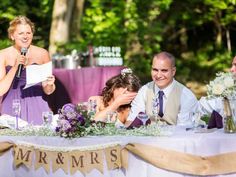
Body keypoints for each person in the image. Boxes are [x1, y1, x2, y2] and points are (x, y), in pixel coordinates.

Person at [0, 16, 56, 125]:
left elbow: (48, 91)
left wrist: (50, 84)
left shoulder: (42, 53)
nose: (25, 37)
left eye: (28, 33)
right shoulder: (3, 55)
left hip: (38, 104)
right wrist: (16, 66)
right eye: (21, 33)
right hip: (13, 106)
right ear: (12, 36)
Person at [126, 51, 198, 126]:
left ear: (173, 71)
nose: (158, 75)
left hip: (176, 137)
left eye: (164, 70)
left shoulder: (186, 96)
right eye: (155, 70)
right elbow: (132, 121)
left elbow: (184, 130)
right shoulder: (144, 91)